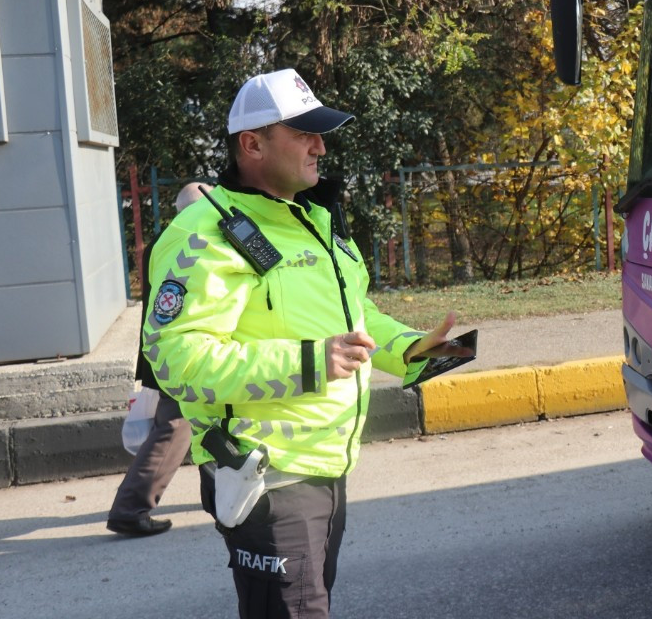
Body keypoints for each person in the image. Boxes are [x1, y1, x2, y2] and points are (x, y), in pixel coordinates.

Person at [140, 68, 471, 618]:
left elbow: (354, 316)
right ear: (252, 144)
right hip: (266, 480)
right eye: (303, 133)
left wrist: (414, 349)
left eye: (320, 132)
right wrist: (311, 363)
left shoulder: (313, 220)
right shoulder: (204, 233)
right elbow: (177, 359)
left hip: (327, 469)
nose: (320, 146)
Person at [107, 181, 212, 537]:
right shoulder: (192, 240)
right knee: (176, 427)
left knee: (198, 425)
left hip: (168, 350)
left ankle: (217, 496)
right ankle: (130, 507)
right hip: (185, 352)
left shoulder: (165, 240)